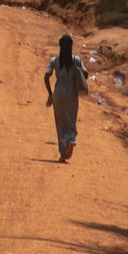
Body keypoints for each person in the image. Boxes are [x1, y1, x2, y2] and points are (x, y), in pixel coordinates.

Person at [44, 34, 89, 162]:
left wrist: (50, 93)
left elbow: (46, 76)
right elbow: (85, 74)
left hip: (58, 92)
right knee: (71, 120)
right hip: (71, 93)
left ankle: (63, 153)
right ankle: (70, 140)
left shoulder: (55, 61)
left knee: (60, 122)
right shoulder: (76, 60)